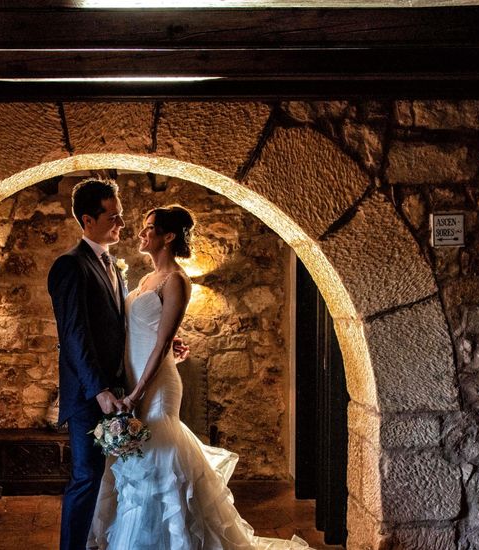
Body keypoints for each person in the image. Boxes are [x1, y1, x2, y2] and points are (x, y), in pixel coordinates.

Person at [87, 205, 309, 550]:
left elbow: (160, 344)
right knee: (138, 465)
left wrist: (138, 393)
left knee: (159, 457)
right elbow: (143, 330)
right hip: (132, 378)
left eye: (149, 229)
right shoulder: (146, 279)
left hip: (157, 383)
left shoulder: (177, 280)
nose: (142, 234)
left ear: (168, 236)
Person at [48, 179, 129, 550]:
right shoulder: (70, 266)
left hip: (118, 390)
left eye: (121, 216)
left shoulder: (114, 265)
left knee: (112, 478)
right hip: (87, 396)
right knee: (85, 478)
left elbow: (117, 325)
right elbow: (75, 335)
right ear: (87, 220)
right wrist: (98, 390)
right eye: (113, 217)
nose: (121, 224)